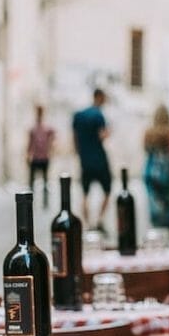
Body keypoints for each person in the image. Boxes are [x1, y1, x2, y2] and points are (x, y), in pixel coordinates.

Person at [71, 88, 112, 230]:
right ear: (100, 97)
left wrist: (79, 152)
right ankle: (99, 220)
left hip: (85, 159)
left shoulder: (78, 115)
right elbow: (102, 136)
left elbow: (75, 138)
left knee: (85, 194)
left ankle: (88, 224)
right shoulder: (98, 115)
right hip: (99, 159)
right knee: (107, 191)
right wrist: (108, 132)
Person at [142, 104, 169, 236]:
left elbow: (145, 148)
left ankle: (155, 225)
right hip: (166, 169)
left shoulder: (149, 131)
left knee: (152, 197)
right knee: (167, 197)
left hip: (151, 168)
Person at [26, 104, 55, 209]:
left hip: (44, 157)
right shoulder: (33, 128)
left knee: (45, 181)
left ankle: (45, 202)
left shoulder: (47, 128)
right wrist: (28, 154)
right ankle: (30, 202)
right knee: (32, 182)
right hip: (35, 157)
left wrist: (50, 150)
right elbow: (29, 143)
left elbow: (52, 140)